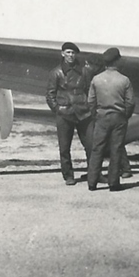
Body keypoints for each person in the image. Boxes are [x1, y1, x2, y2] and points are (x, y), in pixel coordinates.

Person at [86, 48, 134, 192]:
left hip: (101, 117)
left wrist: (96, 115)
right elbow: (130, 102)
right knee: (116, 149)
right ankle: (113, 183)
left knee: (97, 149)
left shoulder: (97, 79)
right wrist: (125, 115)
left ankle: (92, 182)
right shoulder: (124, 80)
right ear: (117, 61)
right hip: (119, 117)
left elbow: (90, 101)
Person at [46, 42, 94, 186]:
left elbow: (90, 91)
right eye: (68, 52)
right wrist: (58, 109)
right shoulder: (56, 72)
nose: (71, 55)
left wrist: (89, 107)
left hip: (83, 113)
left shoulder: (85, 71)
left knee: (91, 145)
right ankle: (68, 176)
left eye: (73, 53)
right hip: (65, 113)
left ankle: (94, 173)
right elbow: (50, 95)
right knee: (64, 147)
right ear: (62, 54)